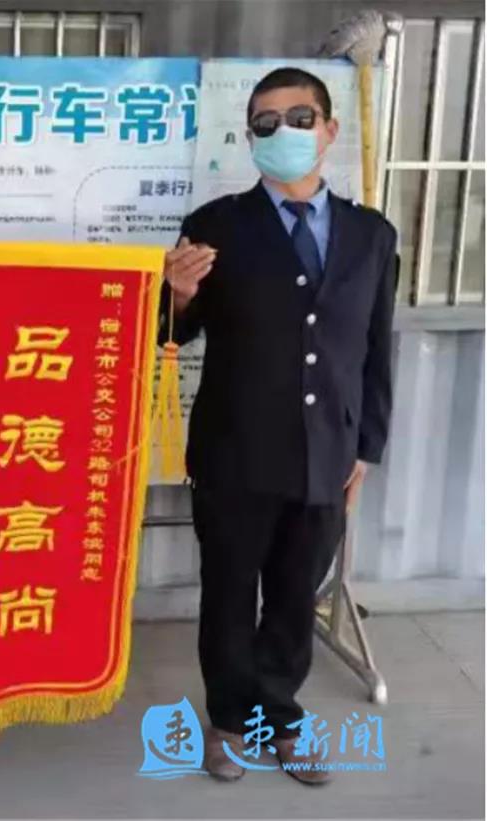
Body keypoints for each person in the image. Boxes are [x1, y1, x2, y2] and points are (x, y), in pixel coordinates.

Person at [161, 67, 396, 785]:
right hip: (234, 451)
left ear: (329, 130)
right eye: (266, 122)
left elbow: (375, 349)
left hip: (328, 454)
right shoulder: (216, 225)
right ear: (250, 138)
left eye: (299, 118)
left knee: (296, 597)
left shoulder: (371, 234)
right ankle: (229, 722)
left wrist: (366, 447)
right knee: (231, 593)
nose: (283, 132)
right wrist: (178, 294)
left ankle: (280, 719)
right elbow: (172, 335)